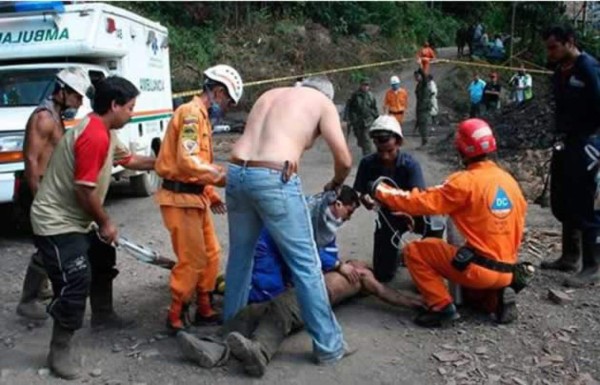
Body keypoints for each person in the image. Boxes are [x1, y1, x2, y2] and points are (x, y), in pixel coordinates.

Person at [176, 187, 423, 376]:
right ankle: (215, 344)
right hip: (306, 285)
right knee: (256, 310)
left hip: (313, 294)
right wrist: (340, 265)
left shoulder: (362, 278)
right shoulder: (343, 260)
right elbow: (319, 252)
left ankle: (260, 352)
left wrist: (416, 303)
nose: (360, 264)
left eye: (366, 265)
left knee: (280, 311)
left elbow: (383, 292)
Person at [30, 76, 157, 380]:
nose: (132, 113)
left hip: (78, 219)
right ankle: (58, 350)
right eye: (130, 108)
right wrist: (106, 222)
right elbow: (84, 191)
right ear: (114, 105)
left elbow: (130, 160)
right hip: (56, 221)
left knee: (102, 257)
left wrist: (163, 163)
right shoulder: (95, 135)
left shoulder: (106, 131)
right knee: (75, 279)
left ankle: (103, 315)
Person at [223, 76, 353, 365]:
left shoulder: (270, 94)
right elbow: (344, 159)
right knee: (306, 264)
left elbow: (270, 141)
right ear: (326, 95)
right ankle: (330, 346)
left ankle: (229, 331)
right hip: (272, 176)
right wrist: (336, 181)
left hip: (235, 172)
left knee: (240, 259)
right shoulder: (322, 103)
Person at [369, 118, 527, 327]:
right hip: (507, 270)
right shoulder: (510, 182)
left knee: (416, 251)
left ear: (461, 148)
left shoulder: (463, 182)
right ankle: (496, 299)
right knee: (471, 289)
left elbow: (419, 202)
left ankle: (441, 307)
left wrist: (382, 191)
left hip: (479, 269)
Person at [155, 65, 243, 332]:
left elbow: (197, 164)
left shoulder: (202, 117)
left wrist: (209, 192)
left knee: (211, 253)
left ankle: (204, 305)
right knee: (191, 259)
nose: (227, 108)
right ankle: (175, 315)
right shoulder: (191, 114)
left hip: (195, 198)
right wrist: (225, 176)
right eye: (228, 101)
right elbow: (188, 160)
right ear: (217, 92)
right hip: (178, 199)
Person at [16, 68, 93, 321]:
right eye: (77, 96)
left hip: (48, 189)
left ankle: (40, 289)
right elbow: (30, 160)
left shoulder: (56, 115)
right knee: (46, 245)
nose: (80, 102)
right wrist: (40, 199)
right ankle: (28, 300)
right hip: (38, 188)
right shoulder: (43, 118)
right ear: (62, 92)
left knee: (48, 243)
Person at [540, 25, 600, 287]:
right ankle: (570, 255)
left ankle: (592, 264)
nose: (550, 53)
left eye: (554, 47)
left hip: (587, 143)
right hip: (565, 142)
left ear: (570, 42)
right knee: (563, 199)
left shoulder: (588, 67)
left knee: (585, 201)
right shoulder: (559, 71)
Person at [353, 115, 442, 282]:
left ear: (399, 143)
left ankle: (429, 262)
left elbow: (420, 197)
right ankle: (398, 255)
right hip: (388, 217)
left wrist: (408, 212)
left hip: (414, 212)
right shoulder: (367, 164)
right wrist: (366, 199)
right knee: (383, 275)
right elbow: (359, 191)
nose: (385, 156)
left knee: (436, 221)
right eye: (381, 151)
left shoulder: (410, 165)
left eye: (390, 151)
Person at [344, 78, 379, 156]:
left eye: (367, 85)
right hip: (358, 122)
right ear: (361, 85)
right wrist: (348, 118)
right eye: (364, 85)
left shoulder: (371, 96)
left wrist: (377, 117)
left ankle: (367, 157)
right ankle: (365, 150)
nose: (366, 87)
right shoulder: (355, 96)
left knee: (367, 139)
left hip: (368, 121)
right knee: (361, 140)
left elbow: (374, 107)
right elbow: (349, 107)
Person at [415, 69, 433, 146]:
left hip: (424, 108)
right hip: (420, 107)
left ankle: (425, 142)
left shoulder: (424, 84)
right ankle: (423, 141)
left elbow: (425, 77)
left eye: (417, 76)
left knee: (424, 125)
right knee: (420, 126)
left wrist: (420, 67)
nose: (416, 78)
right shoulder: (419, 85)